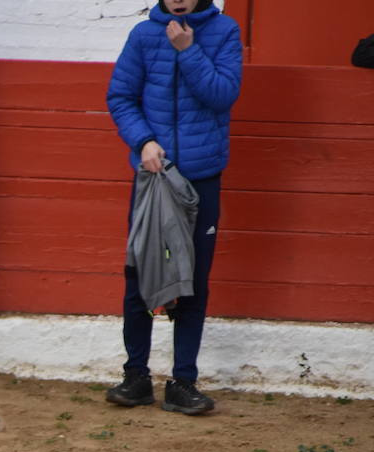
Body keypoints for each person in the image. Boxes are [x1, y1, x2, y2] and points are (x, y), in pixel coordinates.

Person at [104, 0, 242, 415]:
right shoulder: (144, 35)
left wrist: (188, 49)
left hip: (202, 178)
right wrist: (143, 140)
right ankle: (135, 376)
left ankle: (183, 381)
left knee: (194, 279)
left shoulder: (224, 31)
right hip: (154, 175)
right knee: (140, 272)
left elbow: (222, 95)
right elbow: (121, 96)